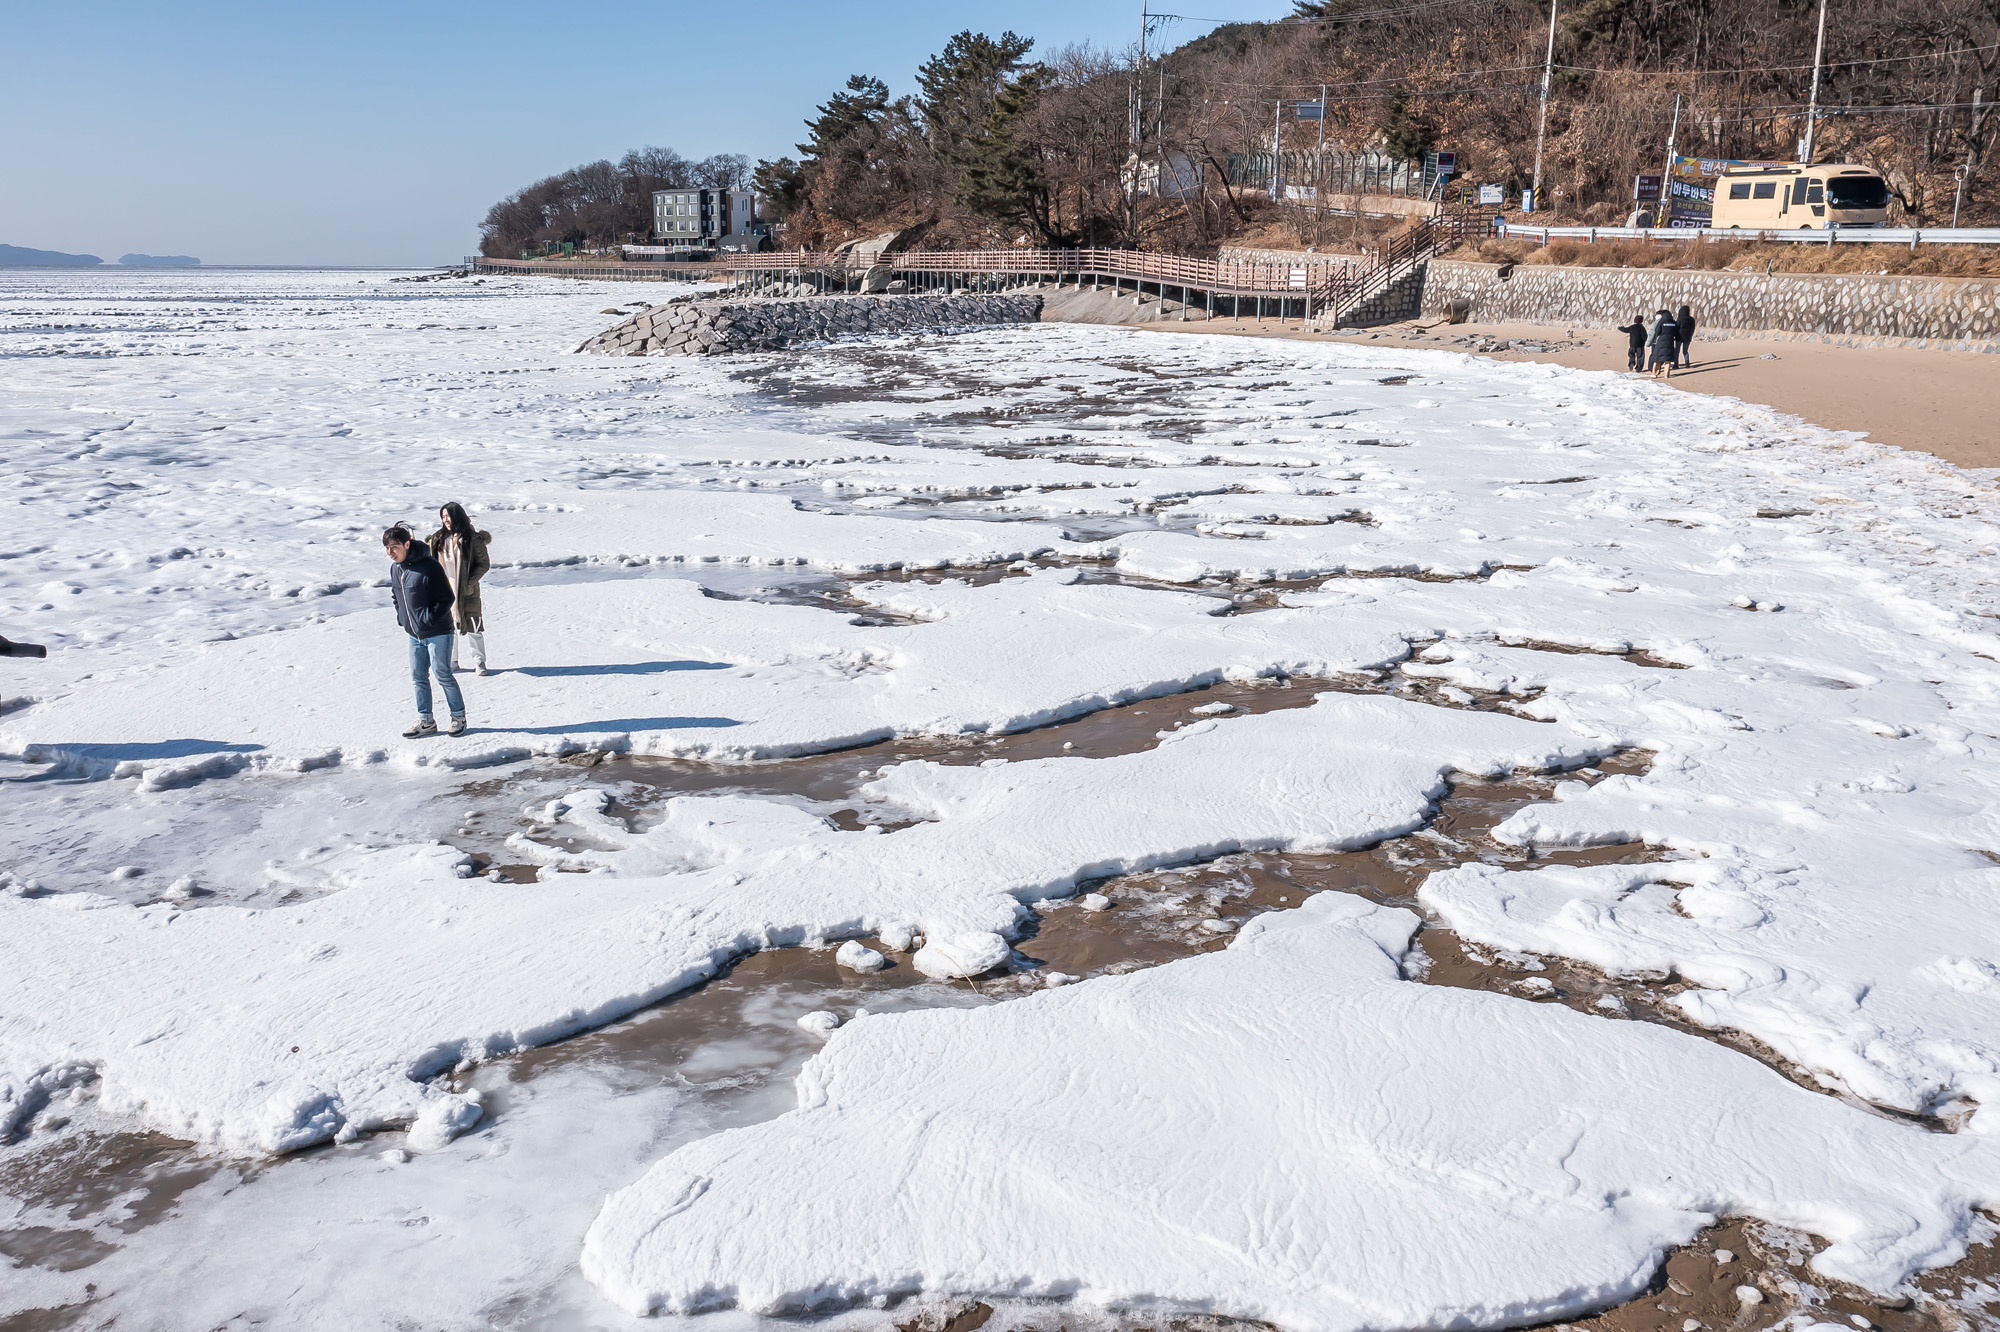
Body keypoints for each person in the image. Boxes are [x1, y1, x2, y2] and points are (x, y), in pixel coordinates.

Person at [384, 524, 465, 737]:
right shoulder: (395, 569)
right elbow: (396, 595)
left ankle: (458, 717)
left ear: (407, 544)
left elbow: (446, 598)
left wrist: (429, 619)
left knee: (443, 675)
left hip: (438, 632)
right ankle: (426, 721)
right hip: (414, 634)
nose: (390, 552)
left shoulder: (429, 566)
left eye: (394, 547)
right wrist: (402, 618)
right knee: (418, 677)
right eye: (387, 548)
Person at [427, 502, 492, 676]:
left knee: (474, 627)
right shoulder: (437, 539)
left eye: (448, 516)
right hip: (444, 590)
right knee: (448, 628)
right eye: (443, 517)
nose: (446, 520)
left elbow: (483, 564)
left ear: (458, 516)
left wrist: (469, 582)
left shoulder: (472, 539)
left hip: (467, 592)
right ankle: (452, 661)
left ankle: (480, 662)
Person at [1648, 308, 1678, 377]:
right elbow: (1676, 332)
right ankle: (1666, 375)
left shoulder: (1662, 321)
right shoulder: (1673, 322)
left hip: (1661, 342)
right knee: (1668, 360)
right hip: (1670, 342)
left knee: (1657, 358)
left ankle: (1654, 373)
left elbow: (1657, 331)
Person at [1675, 304, 1697, 368]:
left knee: (1677, 351)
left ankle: (1676, 364)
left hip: (1679, 337)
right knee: (1685, 351)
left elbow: (1677, 328)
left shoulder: (1680, 319)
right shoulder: (1692, 319)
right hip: (1688, 337)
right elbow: (1693, 328)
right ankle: (1687, 362)